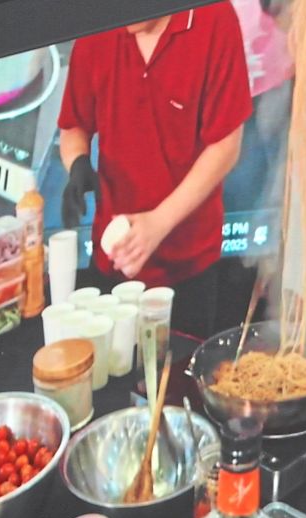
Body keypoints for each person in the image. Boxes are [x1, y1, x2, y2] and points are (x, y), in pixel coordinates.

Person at [58, 3, 254, 338]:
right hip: (114, 258)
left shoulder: (213, 18)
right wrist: (77, 165)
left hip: (189, 264)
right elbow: (74, 126)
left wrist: (159, 222)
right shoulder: (98, 25)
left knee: (176, 379)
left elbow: (225, 145)